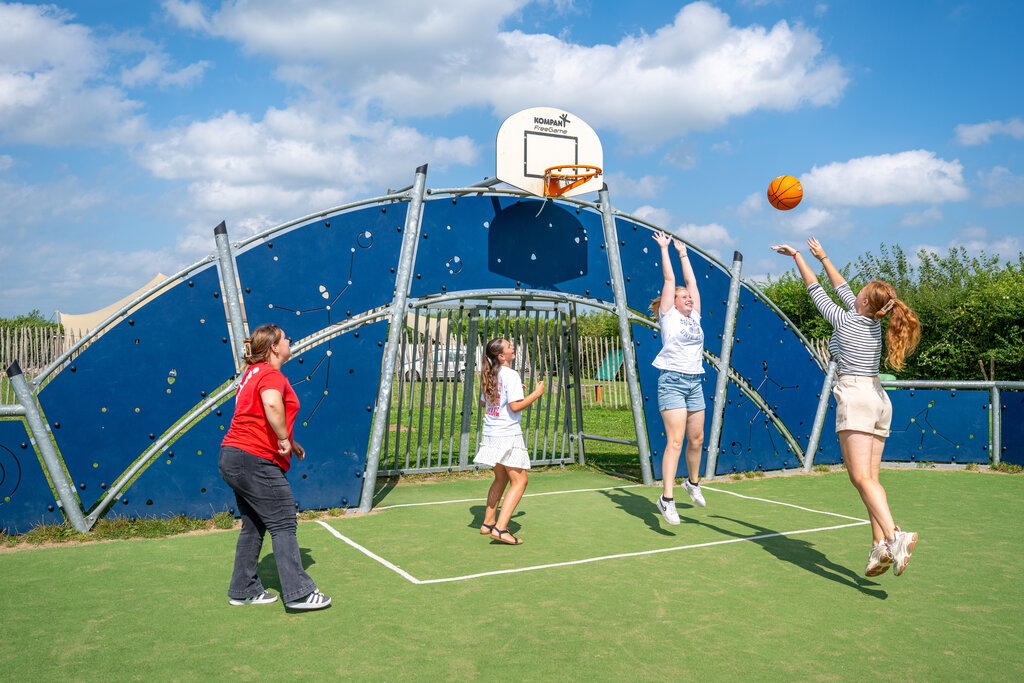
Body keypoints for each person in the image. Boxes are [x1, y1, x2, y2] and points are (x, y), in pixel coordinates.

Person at [770, 237, 922, 577]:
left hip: (856, 397)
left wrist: (797, 257)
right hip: (879, 398)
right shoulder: (872, 321)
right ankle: (879, 546)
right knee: (871, 480)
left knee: (859, 477)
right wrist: (823, 257)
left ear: (865, 300)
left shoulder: (845, 320)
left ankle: (897, 536)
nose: (854, 292)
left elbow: (815, 289)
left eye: (860, 291)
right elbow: (842, 288)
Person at [218, 324, 331, 609]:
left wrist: (290, 442)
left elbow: (253, 416)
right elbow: (270, 405)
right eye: (286, 338)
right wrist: (282, 437)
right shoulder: (270, 374)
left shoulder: (252, 373)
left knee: (254, 525)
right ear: (274, 347)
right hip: (253, 459)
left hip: (234, 456)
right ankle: (299, 593)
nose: (290, 340)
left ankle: (243, 589)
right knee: (283, 521)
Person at [649, 230, 707, 526]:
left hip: (695, 381)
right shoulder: (669, 316)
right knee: (676, 441)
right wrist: (665, 248)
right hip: (672, 380)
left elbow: (693, 282)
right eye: (683, 297)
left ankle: (692, 483)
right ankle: (666, 499)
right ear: (673, 301)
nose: (688, 298)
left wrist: (684, 253)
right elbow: (671, 281)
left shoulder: (694, 318)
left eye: (689, 297)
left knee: (696, 440)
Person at [474, 337, 545, 545]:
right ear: (501, 355)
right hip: (507, 434)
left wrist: (514, 390)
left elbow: (483, 402)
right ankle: (501, 528)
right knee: (520, 481)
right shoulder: (510, 374)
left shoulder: (491, 373)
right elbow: (515, 407)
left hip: (491, 433)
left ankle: (488, 523)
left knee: (500, 478)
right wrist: (536, 393)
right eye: (509, 346)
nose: (513, 348)